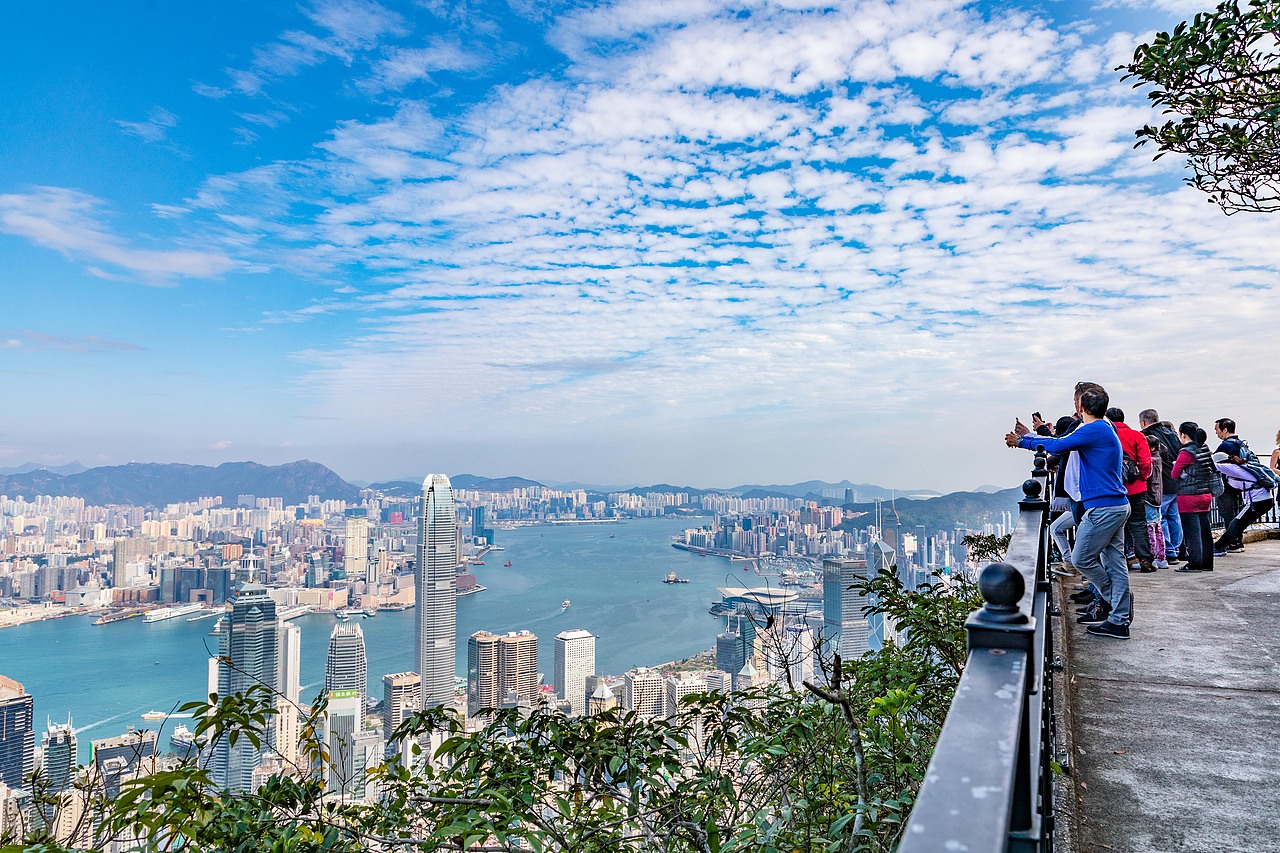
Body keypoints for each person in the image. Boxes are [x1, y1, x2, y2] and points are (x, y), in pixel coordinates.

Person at [1008, 385, 1131, 639]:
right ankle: (1118, 620)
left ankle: (1119, 605)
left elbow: (1058, 445)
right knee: (1115, 563)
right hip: (1116, 504)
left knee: (1081, 559)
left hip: (1104, 507)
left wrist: (1022, 442)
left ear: (1081, 407)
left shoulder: (1094, 429)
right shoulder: (1106, 427)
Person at [1108, 408, 1153, 572]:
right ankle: (1145, 559)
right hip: (1136, 488)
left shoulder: (1108, 435)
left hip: (1113, 488)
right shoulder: (1137, 435)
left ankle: (1121, 559)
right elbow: (1146, 462)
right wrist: (1140, 477)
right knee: (1139, 524)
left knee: (1115, 526)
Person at [1140, 409, 1184, 564]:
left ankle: (1168, 550)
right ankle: (1176, 548)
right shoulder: (1172, 434)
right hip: (1176, 481)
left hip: (1160, 483)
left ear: (1143, 422)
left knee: (1161, 518)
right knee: (1174, 517)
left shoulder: (1146, 437)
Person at [1171, 422, 1216, 573]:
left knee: (1192, 533)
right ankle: (1207, 563)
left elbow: (1174, 474)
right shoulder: (1204, 448)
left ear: (1183, 435)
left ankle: (1194, 564)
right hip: (1205, 495)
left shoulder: (1186, 452)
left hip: (1189, 497)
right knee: (1205, 531)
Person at [1212, 453, 1275, 556]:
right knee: (1238, 525)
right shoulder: (1239, 468)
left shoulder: (1231, 468)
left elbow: (1212, 465)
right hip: (1264, 500)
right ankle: (1225, 545)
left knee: (1235, 524)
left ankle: (1218, 547)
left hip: (1258, 501)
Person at [1213, 418, 1247, 552]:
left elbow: (1215, 463)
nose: (1216, 433)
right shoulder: (1241, 444)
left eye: (1217, 429)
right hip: (1240, 483)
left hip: (1227, 484)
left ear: (1225, 430)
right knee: (1237, 512)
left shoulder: (1225, 446)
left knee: (1227, 513)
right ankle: (1237, 541)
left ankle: (1232, 542)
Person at [1144, 434, 1168, 570]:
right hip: (1157, 497)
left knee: (1150, 529)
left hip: (1149, 497)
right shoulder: (1158, 458)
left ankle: (1152, 558)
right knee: (1158, 528)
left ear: (1151, 448)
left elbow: (1144, 475)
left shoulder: (1150, 460)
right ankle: (1161, 558)